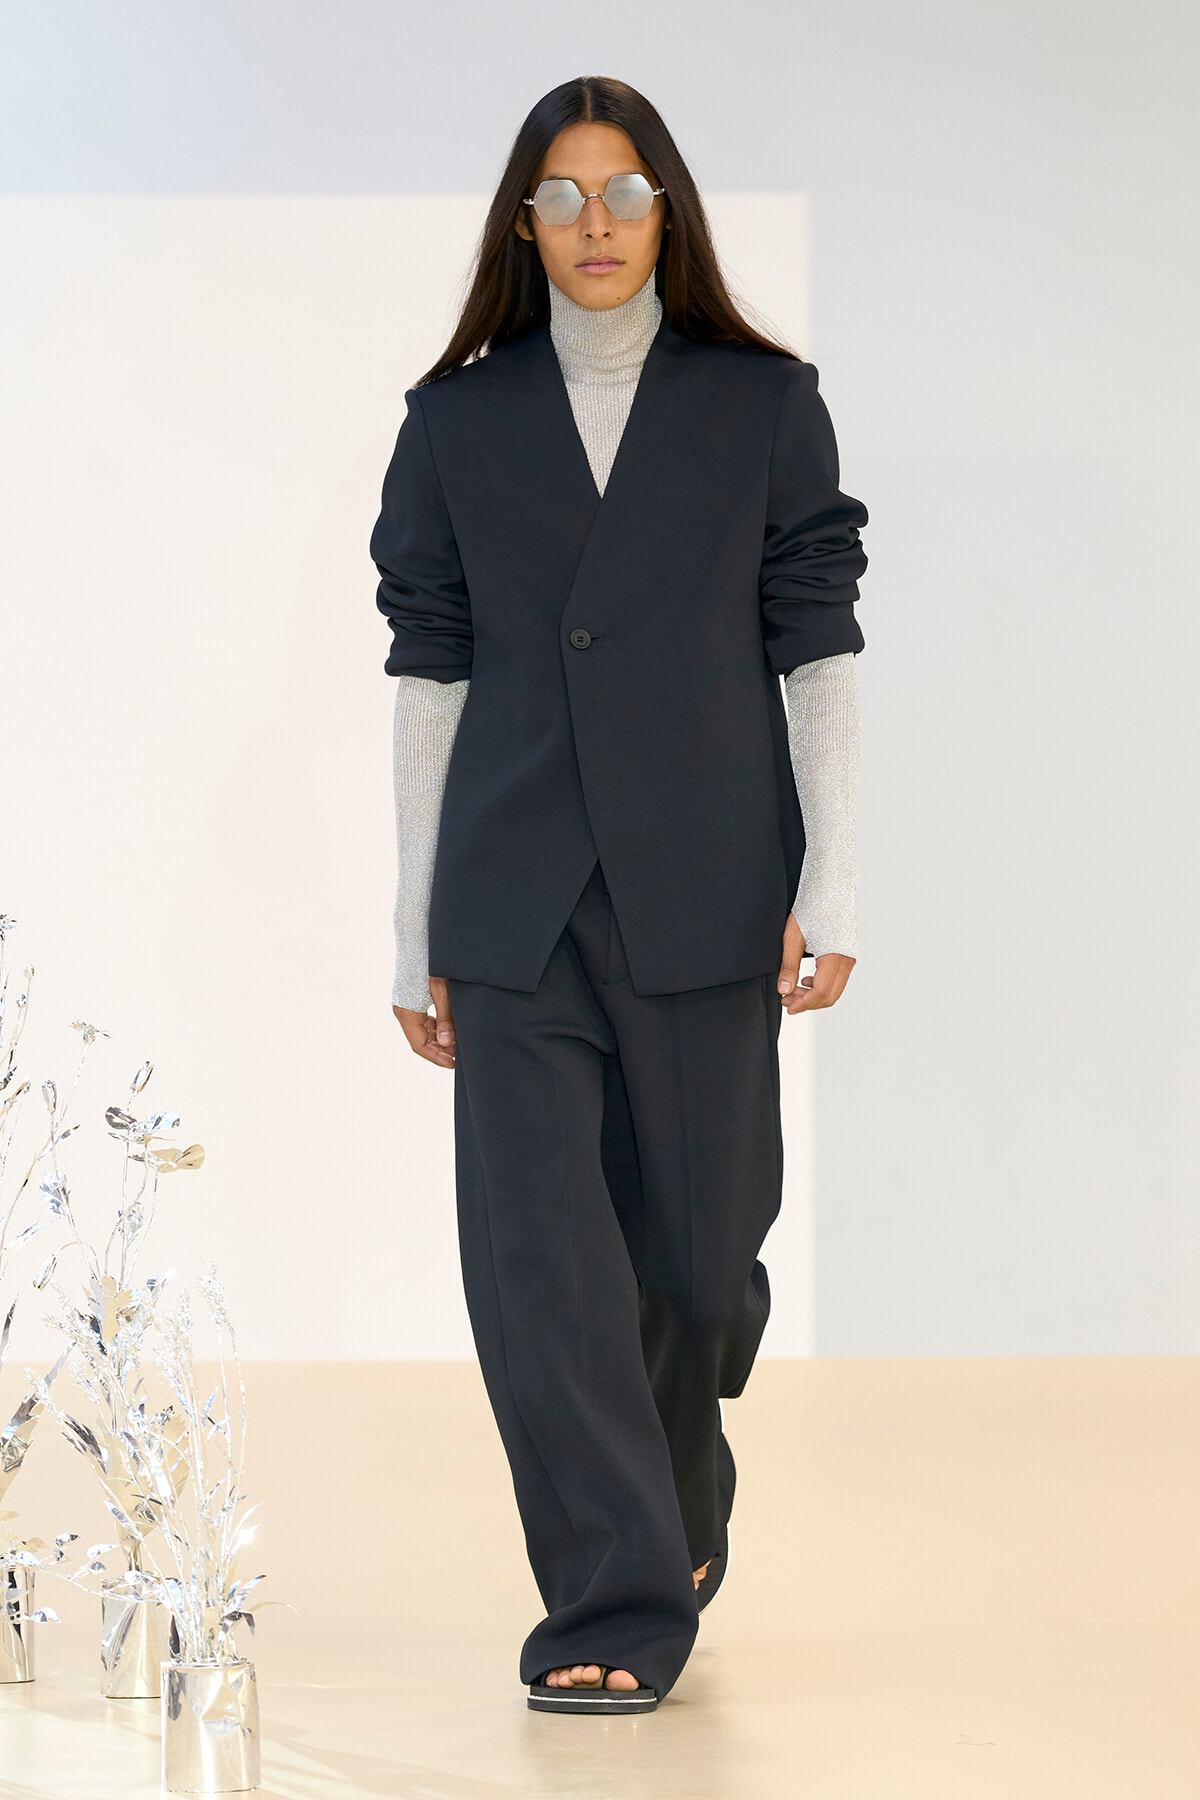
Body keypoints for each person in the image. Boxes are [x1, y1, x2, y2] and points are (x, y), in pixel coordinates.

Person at [370, 75, 867, 1714]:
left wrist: (832, 879)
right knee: (545, 1270)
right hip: (513, 905)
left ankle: (678, 1476)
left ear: (670, 214)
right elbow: (430, 672)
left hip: (707, 893)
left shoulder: (763, 406)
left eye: (627, 192)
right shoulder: (456, 422)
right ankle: (616, 1594)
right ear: (524, 223)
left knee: (699, 1270)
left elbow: (818, 654)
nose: (598, 223)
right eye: (565, 195)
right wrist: (415, 923)